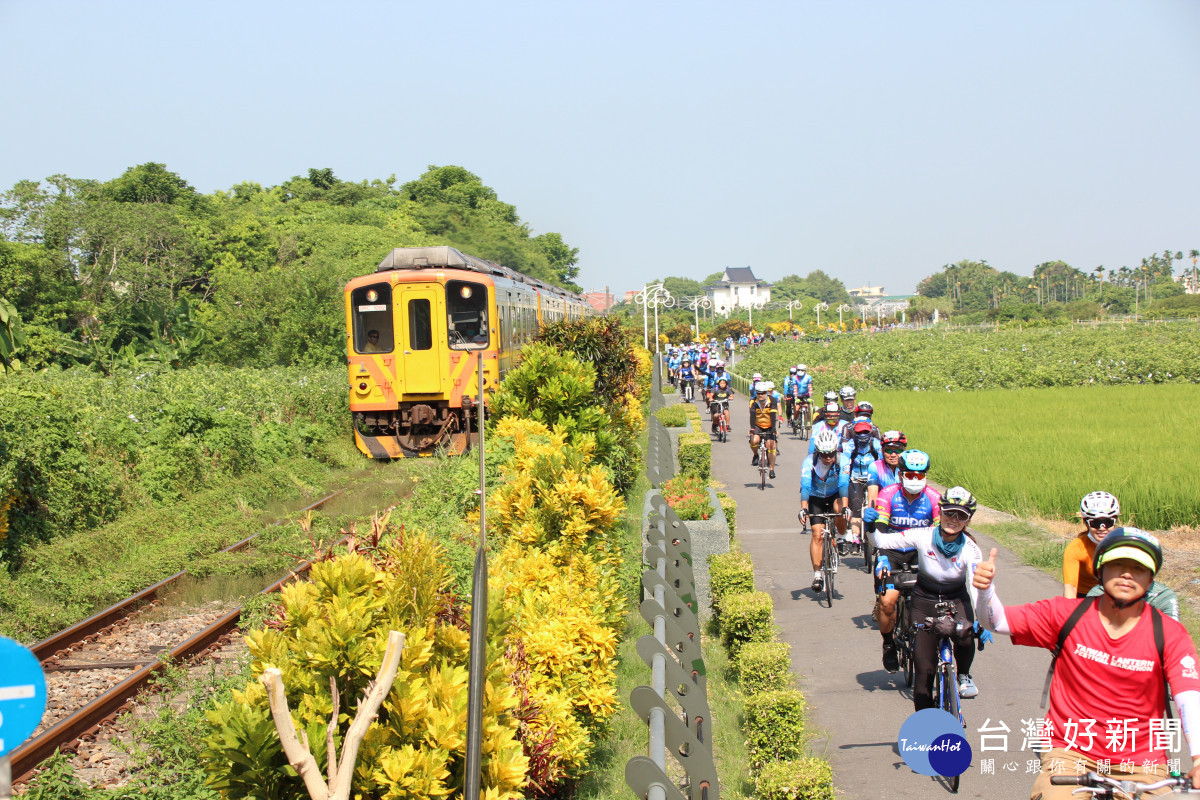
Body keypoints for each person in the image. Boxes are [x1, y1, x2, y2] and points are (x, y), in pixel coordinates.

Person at [973, 528, 1200, 798]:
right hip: (1070, 752)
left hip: (1142, 762)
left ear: (1151, 580)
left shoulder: (1169, 633)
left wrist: (1197, 758)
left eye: (1138, 568)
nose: (1127, 574)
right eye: (1117, 565)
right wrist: (986, 592)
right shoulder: (1066, 614)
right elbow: (997, 622)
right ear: (1100, 571)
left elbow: (1189, 696)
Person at [874, 487, 988, 706]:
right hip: (923, 603)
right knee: (924, 672)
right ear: (941, 511)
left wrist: (982, 621)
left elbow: (976, 588)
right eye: (948, 513)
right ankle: (925, 729)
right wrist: (870, 528)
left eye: (961, 515)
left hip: (956, 601)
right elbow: (882, 541)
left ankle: (964, 675)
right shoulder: (923, 535)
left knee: (965, 634)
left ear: (968, 520)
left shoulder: (971, 549)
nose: (953, 519)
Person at [868, 449, 941, 672]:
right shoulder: (888, 494)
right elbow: (880, 531)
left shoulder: (934, 497)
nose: (915, 479)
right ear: (900, 475)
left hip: (922, 550)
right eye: (910, 475)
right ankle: (888, 643)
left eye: (920, 476)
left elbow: (941, 534)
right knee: (888, 602)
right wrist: (880, 556)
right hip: (892, 550)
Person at [1067, 491, 1181, 619]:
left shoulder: (1163, 598)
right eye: (1095, 523)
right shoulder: (1076, 548)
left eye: (1108, 522)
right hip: (1086, 594)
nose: (1102, 528)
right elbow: (1070, 589)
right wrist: (1071, 620)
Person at [800, 428, 851, 594]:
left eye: (831, 454)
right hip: (816, 496)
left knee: (840, 509)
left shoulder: (843, 460)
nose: (828, 458)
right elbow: (806, 487)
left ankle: (842, 536)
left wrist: (846, 507)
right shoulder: (809, 462)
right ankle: (817, 575)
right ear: (818, 452)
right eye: (824, 454)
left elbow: (844, 485)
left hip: (835, 494)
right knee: (817, 534)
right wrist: (803, 509)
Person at [842, 420, 882, 550]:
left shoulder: (875, 444)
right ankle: (855, 539)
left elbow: (882, 460)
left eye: (865, 432)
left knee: (876, 507)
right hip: (856, 479)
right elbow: (845, 461)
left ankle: (878, 534)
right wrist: (845, 474)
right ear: (855, 433)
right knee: (856, 508)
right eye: (860, 432)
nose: (863, 435)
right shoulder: (850, 445)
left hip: (873, 480)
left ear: (870, 432)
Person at [749, 381, 779, 479]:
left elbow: (773, 415)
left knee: (771, 445)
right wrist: (752, 428)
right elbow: (752, 416)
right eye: (758, 393)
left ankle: (772, 469)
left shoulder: (772, 401)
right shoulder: (753, 402)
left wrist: (774, 429)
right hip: (758, 425)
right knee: (754, 441)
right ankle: (755, 455)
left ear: (766, 393)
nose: (760, 395)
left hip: (770, 425)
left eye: (762, 393)